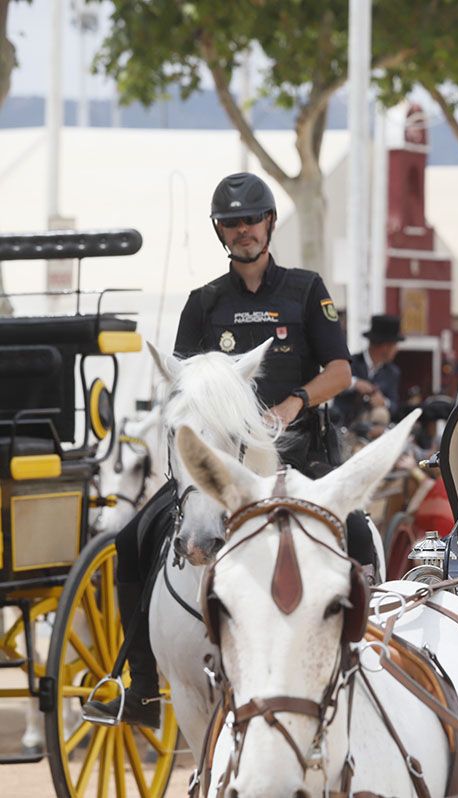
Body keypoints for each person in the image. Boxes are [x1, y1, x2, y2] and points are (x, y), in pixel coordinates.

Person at [86, 173, 371, 728]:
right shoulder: (202, 303)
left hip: (295, 454)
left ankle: (365, 661)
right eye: (231, 223)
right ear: (221, 231)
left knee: (357, 531)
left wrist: (292, 404)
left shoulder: (308, 289)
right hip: (212, 464)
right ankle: (141, 686)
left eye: (251, 220)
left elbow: (340, 372)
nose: (243, 231)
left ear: (270, 224)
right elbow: (181, 384)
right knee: (129, 540)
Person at [335, 314, 405, 426]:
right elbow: (334, 385)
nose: (397, 350)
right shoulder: (350, 363)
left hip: (374, 429)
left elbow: (394, 405)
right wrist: (354, 383)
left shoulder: (392, 373)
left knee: (381, 414)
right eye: (394, 345)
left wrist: (383, 402)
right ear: (384, 346)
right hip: (345, 426)